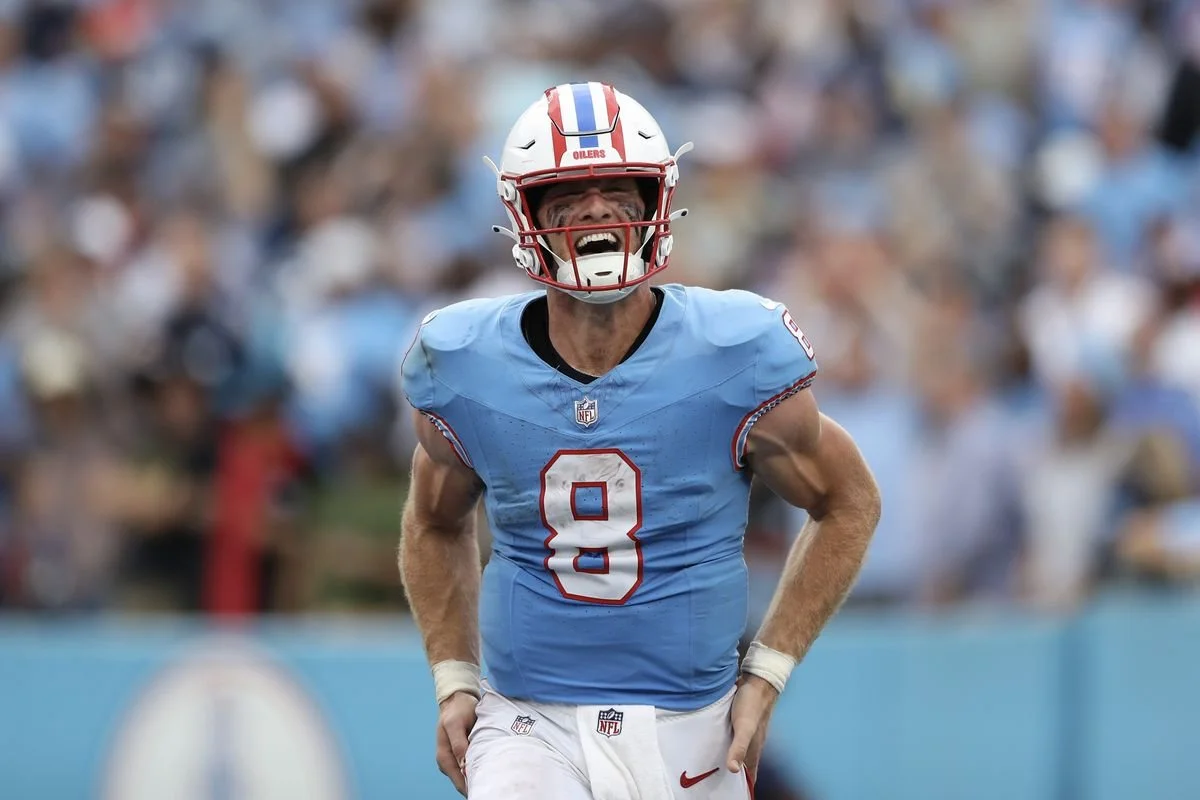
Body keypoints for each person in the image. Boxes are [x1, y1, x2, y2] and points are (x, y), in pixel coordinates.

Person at [398, 82, 881, 800]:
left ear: (657, 201)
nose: (596, 210)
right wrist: (454, 678)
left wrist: (769, 670)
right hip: (530, 722)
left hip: (694, 725)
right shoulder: (466, 363)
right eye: (568, 195)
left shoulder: (735, 351)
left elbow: (849, 500)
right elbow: (432, 522)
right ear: (525, 214)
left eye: (619, 191)